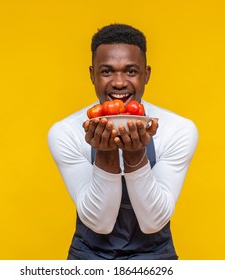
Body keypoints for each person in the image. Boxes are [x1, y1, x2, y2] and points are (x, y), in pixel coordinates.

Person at [47, 23, 198, 260]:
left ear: (146, 74)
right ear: (92, 75)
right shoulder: (66, 131)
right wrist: (106, 157)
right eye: (107, 72)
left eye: (130, 71)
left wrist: (136, 157)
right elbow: (100, 223)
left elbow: (153, 222)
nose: (119, 82)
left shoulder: (178, 129)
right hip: (88, 257)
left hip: (156, 258)